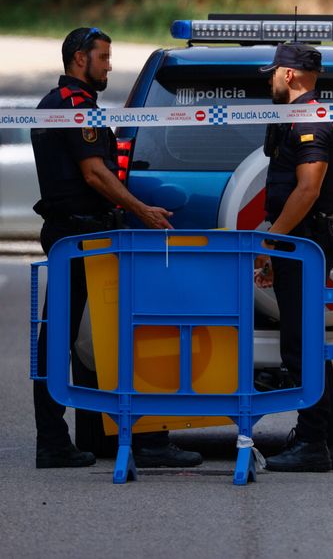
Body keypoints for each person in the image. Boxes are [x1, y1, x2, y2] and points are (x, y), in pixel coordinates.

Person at [31, 27, 202, 469]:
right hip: (82, 236)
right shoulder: (74, 107)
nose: (109, 65)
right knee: (91, 337)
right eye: (103, 57)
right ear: (78, 59)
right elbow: (94, 174)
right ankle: (85, 441)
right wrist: (142, 209)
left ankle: (90, 438)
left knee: (83, 337)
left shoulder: (62, 105)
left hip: (80, 235)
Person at [254, 42, 333, 473]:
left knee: (302, 345)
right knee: (307, 340)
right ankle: (325, 440)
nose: (269, 80)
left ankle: (312, 443)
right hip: (300, 241)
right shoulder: (295, 117)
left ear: (288, 75)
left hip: (303, 242)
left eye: (272, 73)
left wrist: (271, 243)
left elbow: (307, 189)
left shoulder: (309, 119)